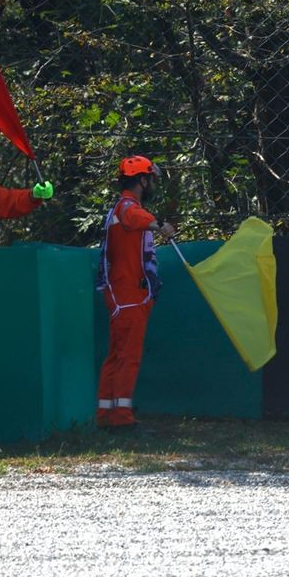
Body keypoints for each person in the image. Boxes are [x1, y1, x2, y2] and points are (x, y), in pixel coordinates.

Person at [95, 156, 176, 430]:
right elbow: (135, 218)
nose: (152, 184)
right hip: (127, 294)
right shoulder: (127, 207)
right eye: (151, 179)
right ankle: (121, 418)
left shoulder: (124, 207)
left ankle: (106, 414)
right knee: (127, 356)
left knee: (117, 355)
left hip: (128, 294)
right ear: (142, 180)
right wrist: (158, 224)